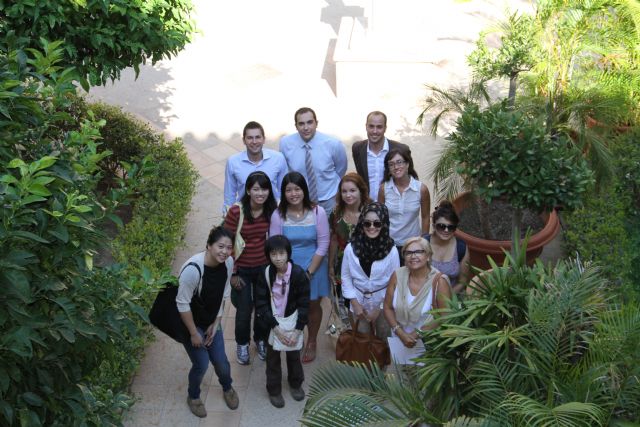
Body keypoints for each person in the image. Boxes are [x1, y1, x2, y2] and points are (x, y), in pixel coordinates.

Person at [176, 226, 239, 417]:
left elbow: (224, 293)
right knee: (201, 364)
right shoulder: (193, 270)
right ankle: (193, 396)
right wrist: (194, 333)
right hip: (190, 324)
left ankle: (227, 387)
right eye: (220, 246)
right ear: (209, 246)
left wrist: (217, 322)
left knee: (221, 362)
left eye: (229, 247)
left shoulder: (228, 263)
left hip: (211, 321)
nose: (225, 252)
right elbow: (182, 304)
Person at [269, 172, 330, 363]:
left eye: (297, 189)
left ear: (304, 190)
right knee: (291, 305)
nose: (293, 194)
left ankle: (312, 340)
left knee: (312, 306)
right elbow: (275, 245)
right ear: (283, 193)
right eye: (288, 190)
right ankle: (296, 334)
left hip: (314, 267)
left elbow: (323, 244)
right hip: (286, 269)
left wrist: (309, 272)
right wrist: (285, 271)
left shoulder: (318, 212)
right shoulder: (278, 215)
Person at [224, 171, 277, 365]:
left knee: (263, 307)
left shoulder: (272, 210)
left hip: (263, 268)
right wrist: (233, 273)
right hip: (242, 269)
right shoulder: (236, 212)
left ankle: (261, 340)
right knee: (244, 310)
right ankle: (242, 344)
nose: (260, 193)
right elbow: (227, 243)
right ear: (248, 190)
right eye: (256, 189)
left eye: (264, 189)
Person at [254, 235, 310, 408]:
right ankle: (274, 390)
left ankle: (296, 384)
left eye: (281, 253)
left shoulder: (298, 274)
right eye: (273, 254)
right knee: (272, 359)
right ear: (268, 255)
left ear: (288, 254)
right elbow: (261, 303)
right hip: (272, 323)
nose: (278, 258)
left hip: (292, 322)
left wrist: (298, 330)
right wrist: (275, 328)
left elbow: (304, 304)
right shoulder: (265, 274)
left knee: (294, 356)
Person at [341, 202, 400, 342]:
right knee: (361, 340)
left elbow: (395, 281)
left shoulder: (391, 250)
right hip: (358, 300)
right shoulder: (351, 248)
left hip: (384, 302)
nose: (372, 227)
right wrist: (355, 304)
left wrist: (380, 308)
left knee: (384, 340)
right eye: (367, 223)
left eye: (377, 223)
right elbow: (346, 276)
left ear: (384, 224)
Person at [383, 236, 452, 351]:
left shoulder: (439, 281)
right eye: (408, 253)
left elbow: (445, 316)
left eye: (419, 252)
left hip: (428, 344)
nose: (413, 256)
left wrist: (416, 334)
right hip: (399, 340)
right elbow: (387, 307)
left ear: (428, 256)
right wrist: (400, 333)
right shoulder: (397, 275)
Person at [279, 107, 347, 214]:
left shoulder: (333, 144)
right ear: (296, 126)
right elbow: (285, 171)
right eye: (301, 124)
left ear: (316, 123)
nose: (306, 128)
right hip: (300, 202)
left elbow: (341, 169)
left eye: (310, 122)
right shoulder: (285, 143)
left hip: (329, 200)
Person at [378, 148, 431, 265]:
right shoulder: (383, 189)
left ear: (407, 164)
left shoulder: (421, 189)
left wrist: (424, 242)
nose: (396, 167)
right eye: (391, 164)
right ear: (388, 169)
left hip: (413, 245)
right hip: (389, 245)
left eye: (399, 162)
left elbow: (426, 217)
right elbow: (380, 218)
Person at [223, 121, 288, 212]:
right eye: (250, 138)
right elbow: (229, 195)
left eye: (258, 137)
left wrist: (283, 212)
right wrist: (228, 215)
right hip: (244, 213)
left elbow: (284, 189)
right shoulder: (233, 162)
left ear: (264, 139)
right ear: (244, 140)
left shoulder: (278, 158)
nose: (254, 142)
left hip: (272, 212)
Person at [328, 173, 371, 304]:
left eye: (352, 190)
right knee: (347, 304)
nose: (348, 195)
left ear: (360, 190)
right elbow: (334, 240)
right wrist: (330, 265)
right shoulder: (336, 213)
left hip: (367, 264)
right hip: (343, 265)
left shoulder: (371, 211)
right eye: (344, 191)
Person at [351, 111, 411, 200]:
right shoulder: (357, 148)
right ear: (366, 126)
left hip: (393, 203)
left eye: (379, 127)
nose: (374, 131)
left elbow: (409, 178)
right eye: (371, 126)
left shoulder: (401, 149)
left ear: (385, 128)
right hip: (367, 204)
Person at [423, 201, 470, 294]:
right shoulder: (423, 243)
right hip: (424, 294)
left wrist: (446, 298)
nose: (446, 230)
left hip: (451, 295)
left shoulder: (461, 247)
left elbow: (462, 282)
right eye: (441, 226)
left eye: (451, 227)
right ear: (434, 226)